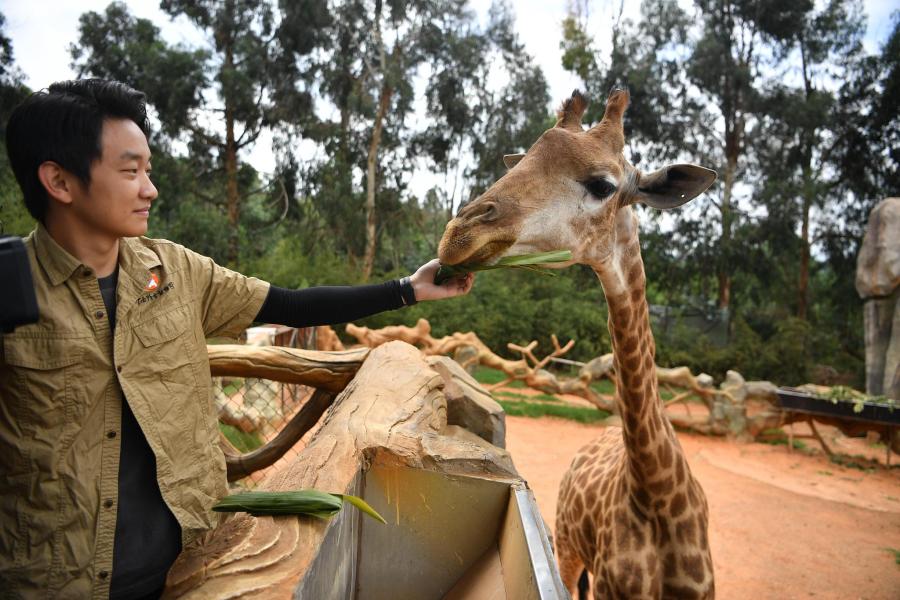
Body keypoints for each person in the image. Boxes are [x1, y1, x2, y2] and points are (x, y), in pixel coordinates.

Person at [0, 79, 474, 599]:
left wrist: (407, 289)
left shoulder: (175, 271)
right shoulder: (10, 291)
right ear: (59, 182)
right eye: (129, 171)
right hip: (52, 582)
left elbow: (288, 303)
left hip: (190, 570)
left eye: (149, 171)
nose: (149, 188)